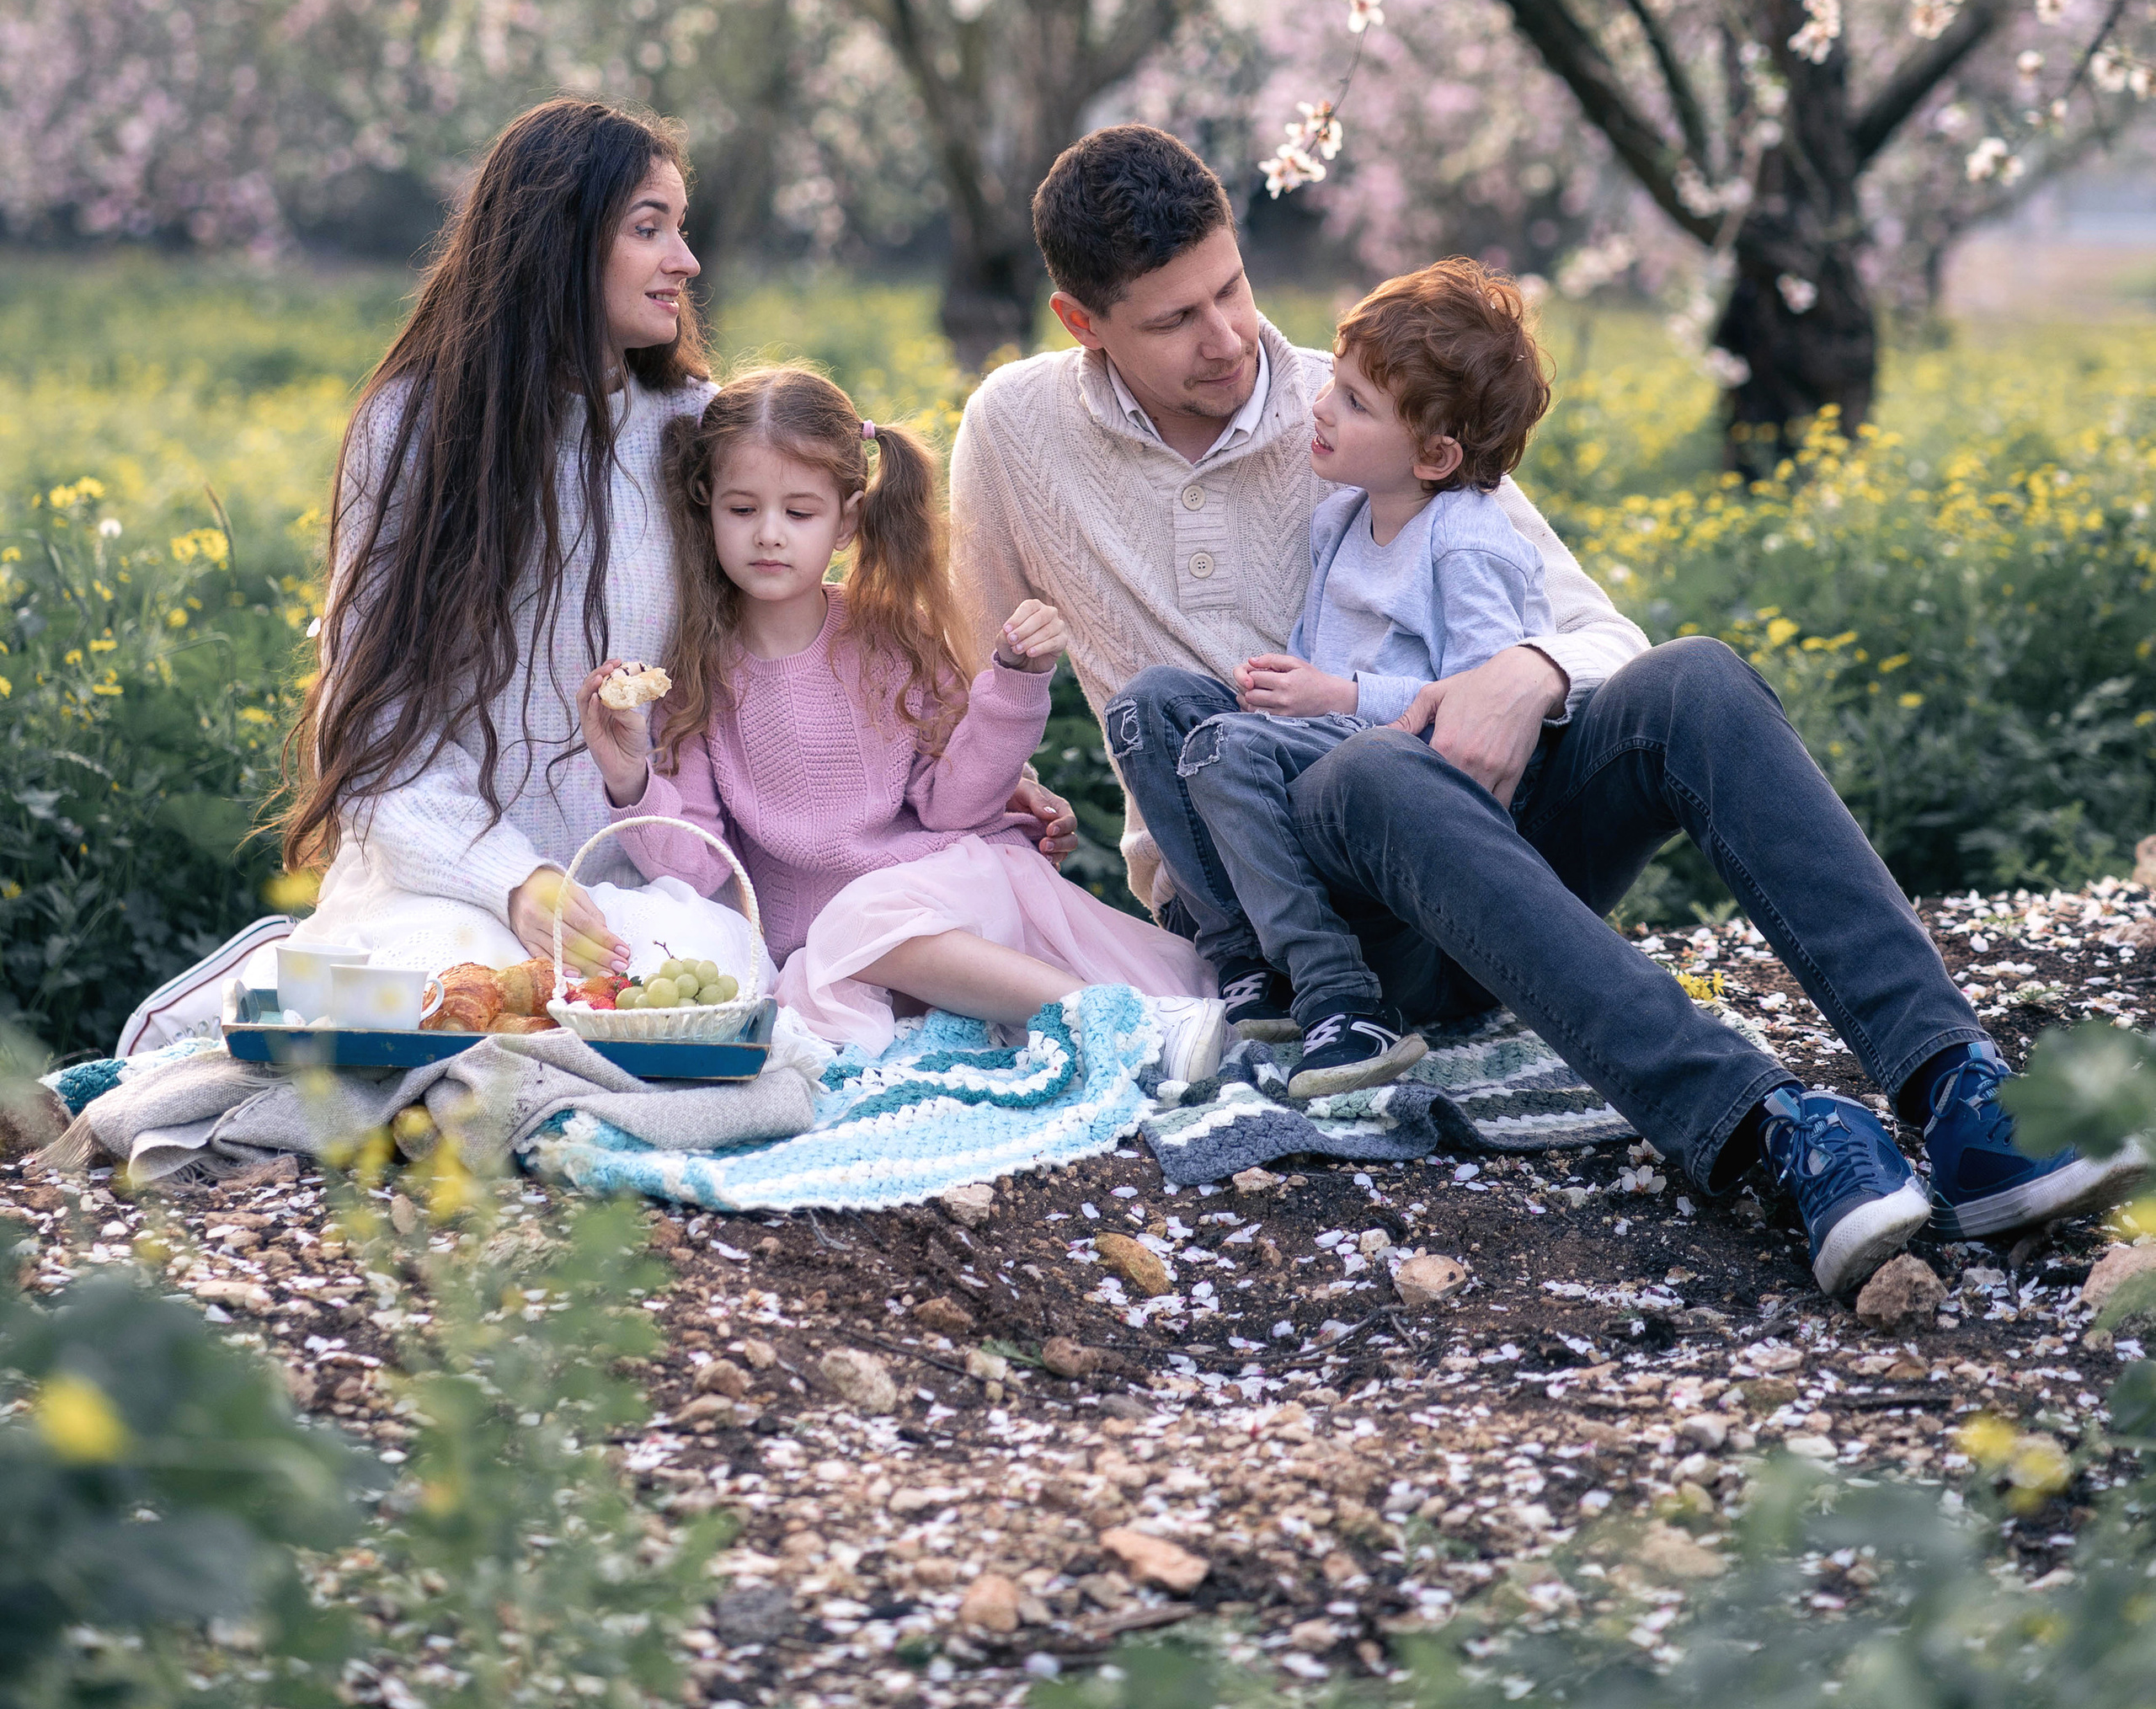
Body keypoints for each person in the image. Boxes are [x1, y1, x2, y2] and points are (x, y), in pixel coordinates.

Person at [950, 124, 2146, 1295]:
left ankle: (1955, 1088)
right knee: (1367, 772)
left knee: (1697, 677)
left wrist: (1527, 672)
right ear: (1083, 325)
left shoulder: (1369, 406)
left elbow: (1597, 634)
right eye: (1174, 321)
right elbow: (959, 666)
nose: (1228, 339)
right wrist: (1000, 797)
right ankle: (1769, 1132)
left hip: (1476, 861)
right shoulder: (1016, 431)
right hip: (1298, 926)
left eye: (1234, 289)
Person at [278, 99, 1078, 998]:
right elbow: (377, 738)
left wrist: (972, 761)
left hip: (660, 890)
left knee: (695, 1002)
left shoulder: (687, 429)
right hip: (457, 883)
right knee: (466, 996)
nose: (685, 262)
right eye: (649, 228)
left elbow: (806, 646)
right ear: (561, 241)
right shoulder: (412, 429)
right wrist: (512, 880)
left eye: (681, 229)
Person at [579, 364, 1224, 1065]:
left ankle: (1118, 1022)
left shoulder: (890, 637)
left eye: (798, 513)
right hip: (837, 953)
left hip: (946, 893)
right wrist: (630, 778)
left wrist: (1017, 684)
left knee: (864, 918)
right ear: (707, 508)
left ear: (847, 519)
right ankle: (1122, 1024)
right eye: (742, 510)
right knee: (848, 934)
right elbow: (704, 871)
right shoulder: (695, 676)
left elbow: (954, 806)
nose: (769, 534)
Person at [1113, 256, 1558, 1102]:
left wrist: (1338, 697)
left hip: (1391, 775)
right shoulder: (1341, 521)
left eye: (1354, 401)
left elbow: (1475, 705)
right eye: (1335, 381)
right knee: (1150, 709)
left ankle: (1340, 998)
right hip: (1317, 746)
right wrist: (1283, 685)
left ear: (1433, 453)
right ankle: (1243, 960)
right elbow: (1317, 659)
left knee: (1218, 750)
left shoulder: (1466, 541)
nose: (1320, 404)